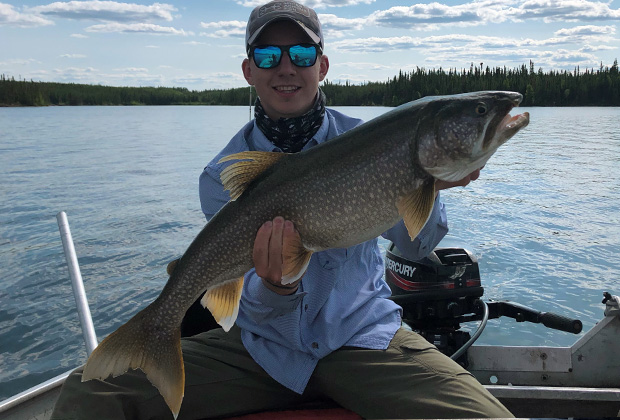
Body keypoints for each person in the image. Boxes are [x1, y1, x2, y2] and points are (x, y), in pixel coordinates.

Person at [51, 1, 513, 419]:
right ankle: (153, 340)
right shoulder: (222, 174)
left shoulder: (378, 144)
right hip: (258, 350)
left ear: (323, 66)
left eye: (302, 55)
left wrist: (430, 182)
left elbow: (417, 246)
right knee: (90, 394)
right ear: (249, 70)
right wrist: (277, 287)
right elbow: (244, 300)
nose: (286, 68)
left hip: (361, 339)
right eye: (269, 56)